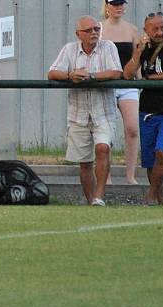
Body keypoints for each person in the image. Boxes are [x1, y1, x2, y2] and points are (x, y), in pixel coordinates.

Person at [48, 15, 122, 206]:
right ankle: (91, 201)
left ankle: (99, 196)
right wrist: (70, 75)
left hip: (103, 112)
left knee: (103, 148)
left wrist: (90, 76)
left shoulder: (108, 47)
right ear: (78, 34)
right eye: (89, 30)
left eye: (97, 29)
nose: (94, 33)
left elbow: (116, 72)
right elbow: (52, 73)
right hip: (78, 114)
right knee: (85, 162)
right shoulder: (69, 49)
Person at [123, 12, 163, 205]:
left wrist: (149, 79)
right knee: (149, 160)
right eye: (155, 28)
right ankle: (161, 198)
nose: (159, 32)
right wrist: (138, 52)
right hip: (147, 110)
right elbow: (127, 74)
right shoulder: (144, 47)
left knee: (161, 152)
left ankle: (150, 195)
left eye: (162, 27)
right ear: (145, 29)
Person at [100, 0, 140, 184]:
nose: (118, 7)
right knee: (106, 130)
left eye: (121, 4)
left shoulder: (132, 30)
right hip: (106, 84)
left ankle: (130, 175)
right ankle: (105, 176)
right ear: (107, 6)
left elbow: (136, 58)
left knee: (132, 128)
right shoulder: (98, 29)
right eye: (114, 4)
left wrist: (140, 81)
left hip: (127, 84)